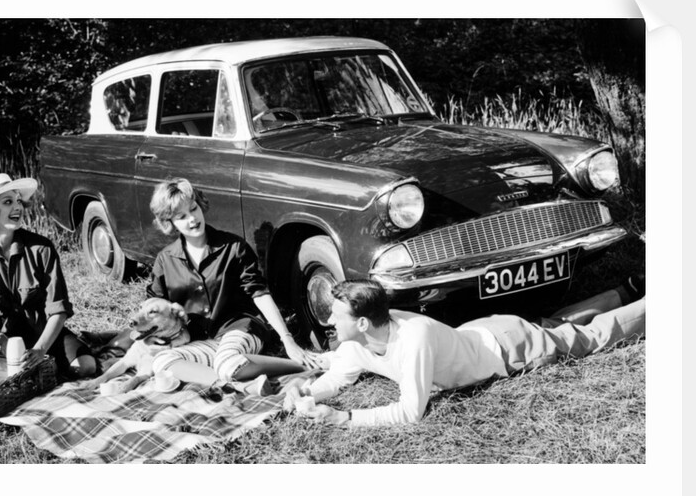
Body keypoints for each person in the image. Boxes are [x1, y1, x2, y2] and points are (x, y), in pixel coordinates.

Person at [284, 278, 646, 427]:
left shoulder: (413, 338)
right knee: (555, 326)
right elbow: (338, 376)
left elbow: (410, 412)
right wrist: (307, 392)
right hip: (484, 329)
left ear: (363, 322)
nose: (329, 320)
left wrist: (344, 417)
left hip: (510, 347)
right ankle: (624, 291)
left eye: (336, 315)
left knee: (587, 338)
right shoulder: (358, 341)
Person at [88, 177, 322, 395]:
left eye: (193, 208)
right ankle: (237, 386)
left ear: (200, 206)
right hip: (200, 339)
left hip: (240, 328)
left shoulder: (234, 247)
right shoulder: (165, 260)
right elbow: (151, 308)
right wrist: (141, 340)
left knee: (227, 362)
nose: (192, 219)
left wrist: (288, 340)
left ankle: (297, 365)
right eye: (181, 216)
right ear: (170, 223)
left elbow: (259, 293)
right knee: (161, 361)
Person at [0, 173, 97, 380]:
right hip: (0, 343)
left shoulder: (41, 248)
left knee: (86, 366)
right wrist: (1, 342)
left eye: (19, 201)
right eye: (8, 202)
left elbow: (58, 309)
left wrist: (40, 350)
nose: (18, 207)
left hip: (45, 335)